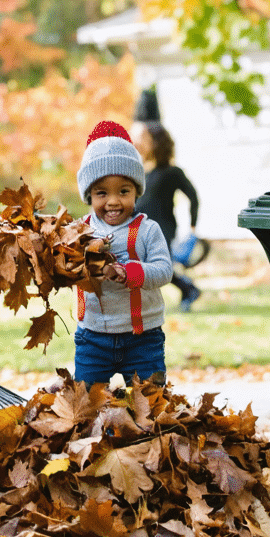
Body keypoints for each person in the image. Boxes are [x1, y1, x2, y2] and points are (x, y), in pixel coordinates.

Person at [73, 120, 174, 386]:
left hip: (143, 337)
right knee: (86, 405)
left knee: (150, 406)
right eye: (102, 192)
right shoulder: (78, 231)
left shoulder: (147, 230)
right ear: (89, 194)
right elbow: (66, 268)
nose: (113, 201)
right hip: (92, 337)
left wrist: (129, 271)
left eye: (124, 191)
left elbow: (164, 270)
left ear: (136, 191)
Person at [133, 122, 202, 311]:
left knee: (157, 265)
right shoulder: (142, 172)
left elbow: (193, 196)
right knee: (154, 265)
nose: (138, 143)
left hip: (163, 227)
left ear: (156, 142)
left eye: (144, 139)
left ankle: (188, 289)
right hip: (141, 227)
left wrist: (193, 225)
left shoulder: (171, 172)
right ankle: (189, 289)